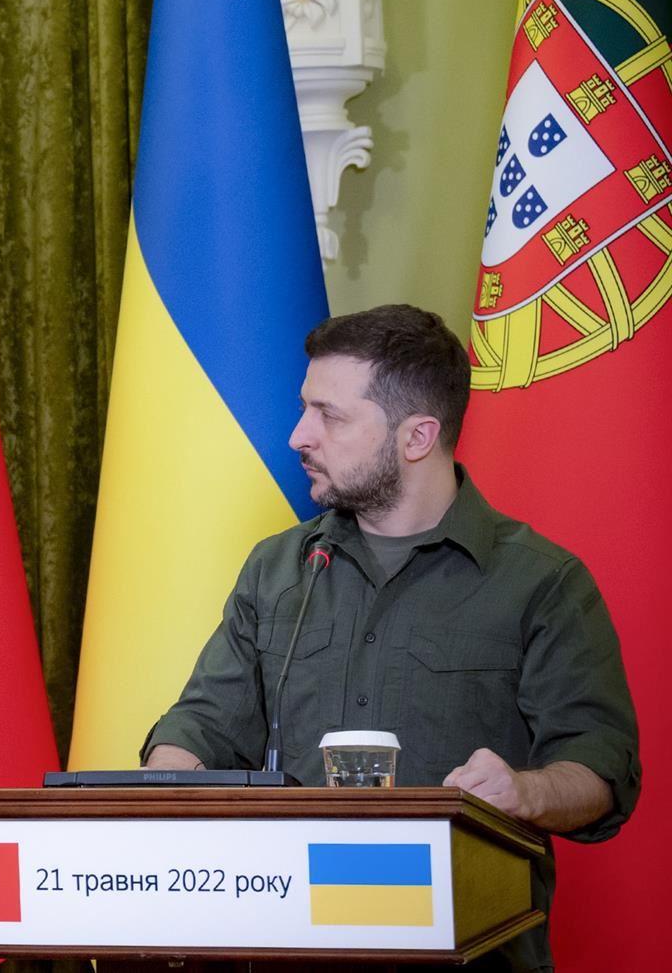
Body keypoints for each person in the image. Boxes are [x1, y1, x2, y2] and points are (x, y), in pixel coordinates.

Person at [142, 304, 638, 972]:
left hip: (469, 952)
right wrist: (156, 793)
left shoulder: (541, 582)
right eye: (304, 407)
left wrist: (525, 792)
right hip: (291, 949)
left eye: (330, 415)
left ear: (416, 436)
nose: (298, 435)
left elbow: (599, 769)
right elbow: (203, 725)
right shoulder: (276, 569)